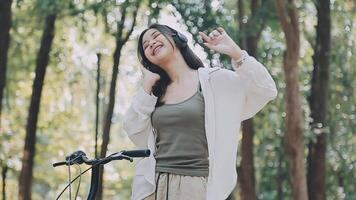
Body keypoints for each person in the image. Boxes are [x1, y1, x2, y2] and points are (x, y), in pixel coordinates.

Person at [122, 23, 277, 200]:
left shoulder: (214, 81)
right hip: (152, 186)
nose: (151, 43)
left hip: (195, 187)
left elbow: (266, 90)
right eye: (146, 45)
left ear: (176, 37)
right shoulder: (154, 93)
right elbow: (133, 129)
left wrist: (237, 54)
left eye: (156, 36)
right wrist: (146, 85)